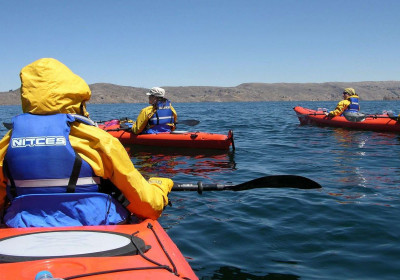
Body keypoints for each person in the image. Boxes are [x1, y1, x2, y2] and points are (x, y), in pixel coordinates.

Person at [0, 58, 173, 228]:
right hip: (96, 229)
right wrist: (161, 185)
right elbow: (148, 206)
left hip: (21, 227)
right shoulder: (99, 141)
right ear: (77, 99)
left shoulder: (7, 144)